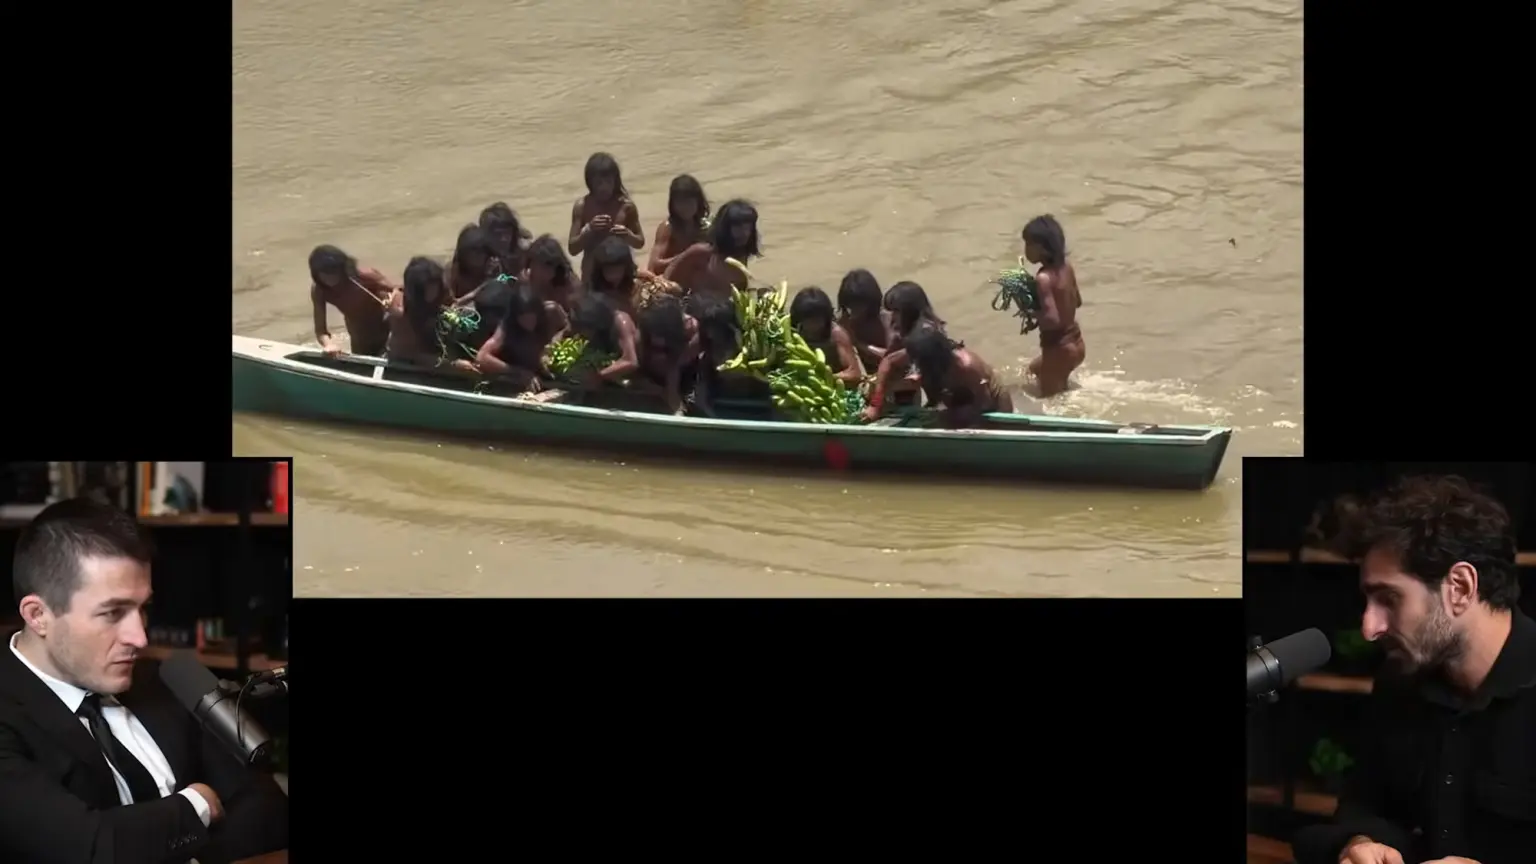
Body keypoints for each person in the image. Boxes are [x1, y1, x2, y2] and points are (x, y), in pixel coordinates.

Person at [0, 499, 288, 864]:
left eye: (143, 609)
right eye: (113, 613)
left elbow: (268, 807)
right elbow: (88, 848)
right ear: (38, 615)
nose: (140, 637)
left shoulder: (165, 679)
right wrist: (197, 802)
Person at [1292, 475, 1536, 864]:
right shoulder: (1399, 683)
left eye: (1389, 599)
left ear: (1459, 587)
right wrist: (1358, 843)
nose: (1369, 628)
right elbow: (1365, 804)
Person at [860, 321, 1010, 426]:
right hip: (955, 398)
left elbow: (982, 407)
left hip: (993, 403)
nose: (915, 366)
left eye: (920, 363)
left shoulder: (968, 368)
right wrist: (876, 405)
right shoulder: (922, 351)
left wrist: (947, 417)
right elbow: (888, 362)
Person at [1021, 214, 1084, 397]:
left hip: (1058, 349)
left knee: (1050, 400)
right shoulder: (1067, 267)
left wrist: (1030, 311)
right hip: (1077, 344)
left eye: (1028, 244)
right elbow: (1077, 301)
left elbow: (1052, 319)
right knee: (1032, 371)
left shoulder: (1043, 278)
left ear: (1042, 249)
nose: (1025, 250)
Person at [662, 199, 761, 301]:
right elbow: (667, 281)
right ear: (725, 228)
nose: (744, 233)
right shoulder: (701, 253)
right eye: (737, 227)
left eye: (747, 227)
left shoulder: (741, 256)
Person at [307, 244, 395, 356]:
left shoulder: (365, 276)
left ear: (342, 268)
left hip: (386, 333)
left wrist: (391, 301)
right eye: (324, 275)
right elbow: (321, 331)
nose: (329, 278)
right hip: (359, 338)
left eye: (333, 272)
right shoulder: (320, 291)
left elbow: (401, 291)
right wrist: (328, 345)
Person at [568, 152, 644, 280]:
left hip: (622, 277)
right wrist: (589, 230)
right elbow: (572, 248)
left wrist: (626, 234)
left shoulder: (626, 206)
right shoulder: (582, 207)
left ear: (615, 180)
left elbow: (640, 242)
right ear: (590, 182)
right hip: (592, 277)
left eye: (608, 182)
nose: (604, 187)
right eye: (598, 183)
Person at [475, 281, 562, 390]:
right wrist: (517, 372)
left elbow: (567, 329)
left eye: (531, 318)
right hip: (514, 370)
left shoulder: (549, 314)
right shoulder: (506, 327)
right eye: (523, 318)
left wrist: (547, 354)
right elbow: (482, 357)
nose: (528, 323)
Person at [387, 256, 469, 369]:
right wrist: (453, 364)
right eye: (427, 287)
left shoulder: (441, 289)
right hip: (406, 357)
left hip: (434, 340)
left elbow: (453, 304)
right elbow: (412, 354)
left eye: (435, 285)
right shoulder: (401, 312)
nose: (433, 291)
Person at [634, 294, 700, 415]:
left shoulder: (691, 328)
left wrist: (673, 396)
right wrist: (659, 391)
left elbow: (676, 366)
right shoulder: (642, 332)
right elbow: (636, 366)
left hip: (683, 376)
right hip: (650, 377)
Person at [788, 287, 863, 387]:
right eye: (808, 320)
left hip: (833, 384)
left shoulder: (836, 334)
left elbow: (855, 374)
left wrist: (824, 378)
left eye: (817, 319)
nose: (813, 325)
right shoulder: (792, 333)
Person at [567, 292, 639, 388]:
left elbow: (631, 362)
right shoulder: (597, 329)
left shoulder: (620, 321)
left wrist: (599, 376)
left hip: (637, 375)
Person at [647, 174, 711, 275]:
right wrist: (686, 256)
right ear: (672, 204)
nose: (684, 207)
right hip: (672, 280)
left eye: (689, 202)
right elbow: (654, 266)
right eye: (680, 202)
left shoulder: (706, 227)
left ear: (698, 201)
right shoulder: (668, 228)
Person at [836, 269, 891, 373]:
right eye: (850, 305)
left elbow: (893, 357)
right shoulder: (843, 324)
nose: (854, 310)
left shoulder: (886, 320)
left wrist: (859, 344)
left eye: (859, 305)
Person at [522, 234, 579, 315]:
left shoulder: (569, 285)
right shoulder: (525, 279)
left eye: (550, 265)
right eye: (540, 265)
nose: (546, 271)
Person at [445, 224, 504, 301]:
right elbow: (452, 301)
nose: (476, 258)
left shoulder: (493, 267)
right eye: (472, 254)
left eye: (480, 253)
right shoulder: (452, 269)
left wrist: (491, 277)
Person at [585, 236, 640, 318]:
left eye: (618, 270)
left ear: (626, 267)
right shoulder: (593, 293)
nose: (614, 276)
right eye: (609, 271)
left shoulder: (637, 287)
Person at [478, 202, 532, 274]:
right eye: (497, 234)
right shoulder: (476, 254)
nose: (504, 239)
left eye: (507, 233)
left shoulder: (524, 250)